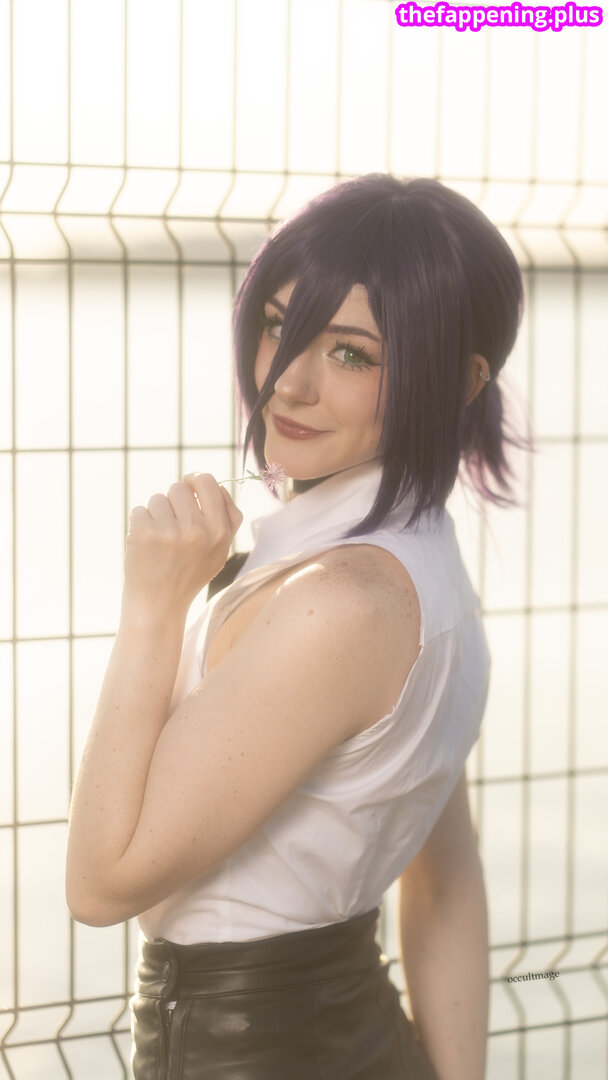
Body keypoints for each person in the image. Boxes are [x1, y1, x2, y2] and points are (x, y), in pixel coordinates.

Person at [65, 173, 531, 1079]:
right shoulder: (427, 563)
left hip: (245, 1051)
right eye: (280, 325)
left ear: (461, 380)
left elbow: (99, 884)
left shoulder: (341, 602)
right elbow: (445, 876)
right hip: (365, 1039)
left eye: (353, 354)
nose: (289, 381)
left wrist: (153, 607)